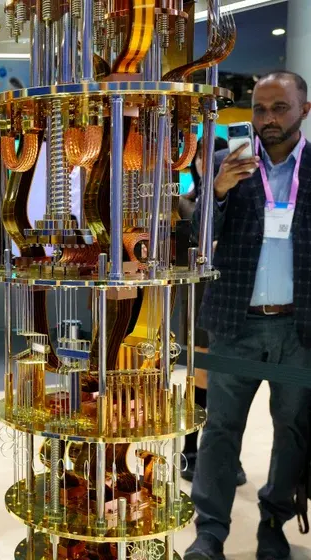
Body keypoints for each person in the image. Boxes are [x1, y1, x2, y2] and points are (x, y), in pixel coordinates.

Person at [185, 70, 311, 560]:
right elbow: (196, 236)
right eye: (260, 109)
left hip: (298, 330)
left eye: (280, 108)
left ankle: (273, 522)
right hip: (235, 324)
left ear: (304, 110)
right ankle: (210, 532)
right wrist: (216, 192)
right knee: (220, 429)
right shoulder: (227, 163)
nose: (268, 119)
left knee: (293, 429)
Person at [178, 137, 247, 487]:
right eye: (200, 156)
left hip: (238, 300)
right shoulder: (185, 202)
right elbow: (187, 245)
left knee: (233, 381)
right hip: (201, 297)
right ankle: (190, 450)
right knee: (201, 376)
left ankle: (224, 453)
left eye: (214, 155)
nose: (207, 162)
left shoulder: (244, 202)